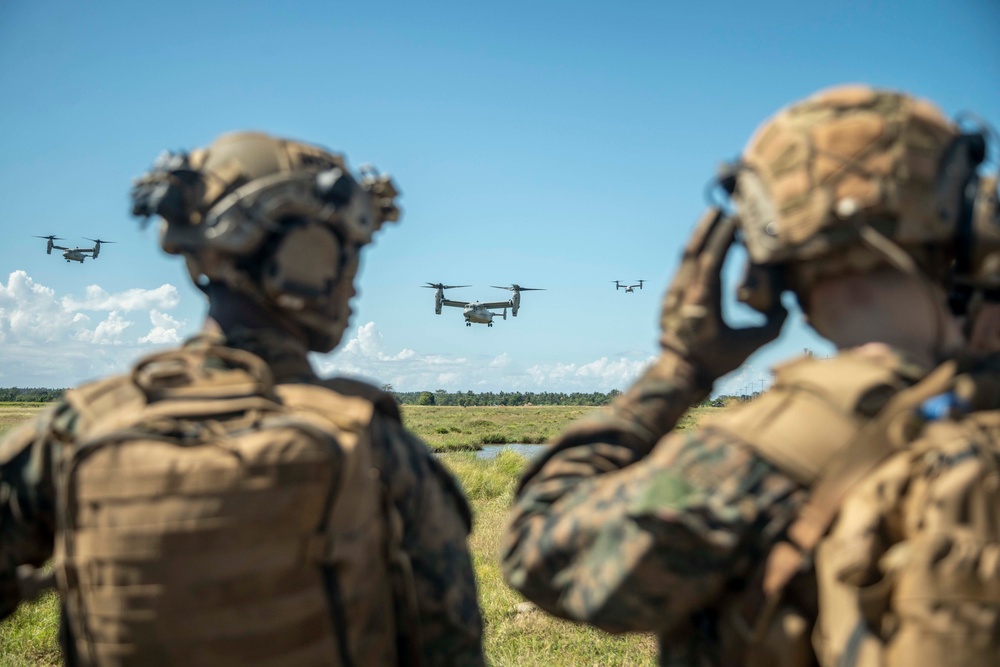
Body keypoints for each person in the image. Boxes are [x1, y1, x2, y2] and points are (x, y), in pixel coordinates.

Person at [502, 85, 1000, 665]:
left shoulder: (750, 457)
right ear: (969, 223)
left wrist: (680, 368)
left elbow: (540, 552)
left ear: (762, 246)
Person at [0, 131, 484, 666]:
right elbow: (450, 649)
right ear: (306, 256)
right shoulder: (378, 449)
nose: (354, 284)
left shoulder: (75, 429)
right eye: (345, 254)